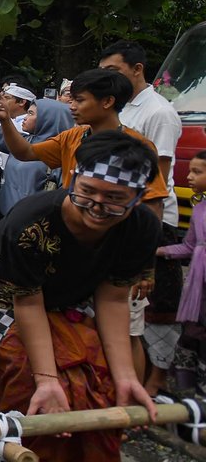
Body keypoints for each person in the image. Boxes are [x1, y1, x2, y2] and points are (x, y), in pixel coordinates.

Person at [0, 131, 160, 462]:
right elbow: (28, 302)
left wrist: (126, 376)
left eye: (115, 198)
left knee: (93, 385)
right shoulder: (33, 220)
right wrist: (46, 380)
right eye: (87, 192)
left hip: (73, 298)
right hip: (3, 299)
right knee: (20, 383)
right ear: (72, 178)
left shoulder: (142, 227)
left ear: (139, 196)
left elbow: (113, 299)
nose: (97, 206)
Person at [99, 40, 185, 395]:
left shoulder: (158, 112)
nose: (107, 79)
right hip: (116, 215)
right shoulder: (117, 107)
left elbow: (158, 179)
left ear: (138, 69)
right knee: (124, 308)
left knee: (152, 304)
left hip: (150, 217)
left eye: (113, 71)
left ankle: (154, 382)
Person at [0, 68, 170, 218]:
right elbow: (25, 152)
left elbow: (152, 204)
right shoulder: (72, 137)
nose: (72, 106)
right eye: (72, 99)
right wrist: (5, 120)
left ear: (108, 101)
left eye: (80, 100)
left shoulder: (137, 146)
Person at [0, 97, 75, 214]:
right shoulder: (23, 142)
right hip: (6, 217)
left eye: (31, 113)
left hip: (35, 220)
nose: (25, 117)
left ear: (49, 118)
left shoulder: (58, 152)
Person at [160, 151, 206, 394]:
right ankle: (193, 396)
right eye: (190, 171)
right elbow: (189, 246)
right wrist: (159, 251)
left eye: (197, 172)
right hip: (199, 292)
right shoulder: (200, 209)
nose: (189, 177)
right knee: (194, 335)